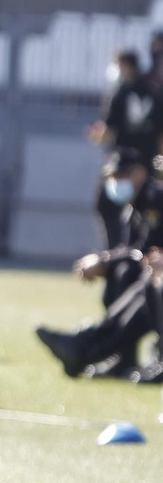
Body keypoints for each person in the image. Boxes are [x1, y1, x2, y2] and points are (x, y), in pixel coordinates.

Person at [38, 148, 163, 381]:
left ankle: (86, 348)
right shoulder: (135, 204)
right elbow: (138, 249)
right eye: (114, 177)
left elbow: (143, 249)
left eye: (122, 176)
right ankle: (91, 349)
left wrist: (104, 260)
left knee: (145, 279)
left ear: (140, 174)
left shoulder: (155, 200)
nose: (117, 182)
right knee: (132, 277)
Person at [91, 51, 160, 248]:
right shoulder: (155, 91)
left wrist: (96, 135)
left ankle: (115, 253)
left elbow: (107, 130)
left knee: (105, 205)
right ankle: (140, 249)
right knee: (146, 212)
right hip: (147, 166)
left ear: (126, 66)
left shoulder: (120, 92)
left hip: (121, 165)